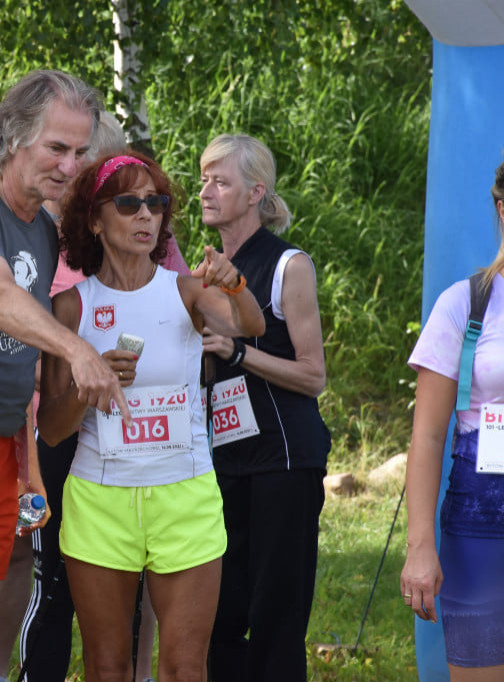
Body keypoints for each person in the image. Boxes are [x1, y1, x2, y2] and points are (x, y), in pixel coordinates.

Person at [0, 68, 131, 681]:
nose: (70, 166)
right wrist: (78, 350)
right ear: (12, 138)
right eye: (56, 148)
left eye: (80, 152)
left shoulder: (40, 225)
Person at [37, 151, 264, 682]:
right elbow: (50, 427)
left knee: (185, 667)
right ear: (94, 218)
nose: (145, 215)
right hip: (99, 498)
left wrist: (233, 283)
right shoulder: (71, 306)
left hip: (185, 494)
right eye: (128, 203)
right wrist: (90, 385)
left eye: (155, 203)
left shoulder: (184, 290)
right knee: (108, 666)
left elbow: (250, 326)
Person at [15, 112, 190, 682]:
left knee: (138, 606)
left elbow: (197, 322)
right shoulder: (39, 231)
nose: (74, 168)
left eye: (86, 157)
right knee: (54, 587)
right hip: (69, 439)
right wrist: (72, 373)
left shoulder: (153, 237)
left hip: (158, 463)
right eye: (68, 158)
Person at [198, 134, 329, 682]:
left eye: (220, 181)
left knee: (275, 617)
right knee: (220, 614)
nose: (205, 190)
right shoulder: (206, 264)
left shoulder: (287, 264)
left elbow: (313, 375)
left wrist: (239, 351)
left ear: (255, 193)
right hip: (223, 461)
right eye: (202, 177)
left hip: (283, 460)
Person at [400, 160, 504, 679]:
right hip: (481, 523)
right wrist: (421, 547)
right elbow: (428, 434)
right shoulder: (466, 303)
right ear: (502, 209)